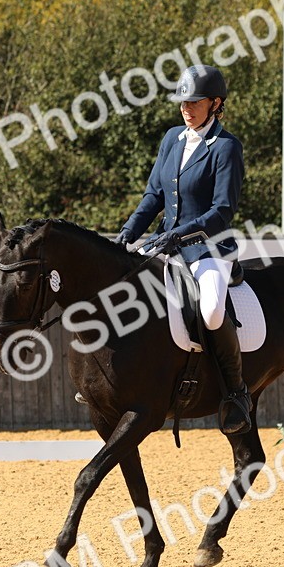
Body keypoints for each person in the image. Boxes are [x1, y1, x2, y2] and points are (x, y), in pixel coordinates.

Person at [115, 65, 252, 435]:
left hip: (208, 250)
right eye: (183, 103)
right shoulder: (172, 139)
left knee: (209, 312)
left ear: (216, 103)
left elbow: (222, 211)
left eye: (195, 102)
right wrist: (126, 235)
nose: (187, 109)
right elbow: (153, 197)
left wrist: (182, 234)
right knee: (124, 288)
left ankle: (237, 393)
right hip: (165, 244)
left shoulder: (226, 147)